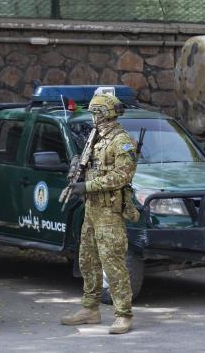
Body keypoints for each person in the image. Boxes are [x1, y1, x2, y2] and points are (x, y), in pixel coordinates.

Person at [60, 93, 138, 334]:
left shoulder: (121, 141)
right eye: (92, 112)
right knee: (87, 260)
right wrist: (77, 169)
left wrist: (88, 186)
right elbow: (90, 168)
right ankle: (90, 308)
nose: (93, 117)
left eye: (97, 112)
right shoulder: (94, 139)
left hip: (109, 211)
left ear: (107, 113)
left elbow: (122, 176)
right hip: (91, 209)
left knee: (113, 264)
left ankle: (123, 314)